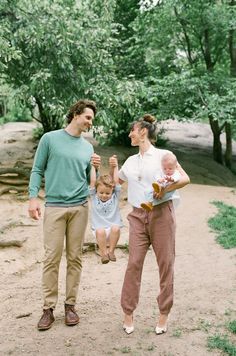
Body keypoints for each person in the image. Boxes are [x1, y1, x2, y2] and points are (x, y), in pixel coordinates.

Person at [28, 99, 101, 331]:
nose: (90, 123)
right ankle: (48, 309)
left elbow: (91, 183)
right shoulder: (50, 139)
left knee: (75, 258)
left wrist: (96, 168)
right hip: (55, 207)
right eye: (88, 117)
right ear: (76, 114)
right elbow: (37, 169)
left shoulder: (88, 147)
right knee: (51, 258)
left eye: (92, 119)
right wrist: (32, 198)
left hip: (80, 207)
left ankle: (70, 306)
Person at [115, 114, 190, 335]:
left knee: (166, 264)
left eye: (132, 130)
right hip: (138, 215)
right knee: (133, 264)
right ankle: (128, 313)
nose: (130, 134)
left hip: (161, 215)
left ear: (143, 132)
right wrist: (102, 168)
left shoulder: (163, 156)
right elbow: (115, 183)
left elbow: (184, 178)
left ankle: (163, 314)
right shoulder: (130, 161)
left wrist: (163, 191)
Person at [89, 155, 122, 264]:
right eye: (101, 192)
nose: (104, 195)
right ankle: (103, 253)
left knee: (116, 228)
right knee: (100, 230)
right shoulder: (94, 196)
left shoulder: (115, 196)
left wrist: (115, 166)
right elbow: (93, 181)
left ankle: (111, 251)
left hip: (112, 230)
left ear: (112, 191)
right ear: (96, 191)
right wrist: (93, 167)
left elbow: (116, 181)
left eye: (107, 193)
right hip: (99, 231)